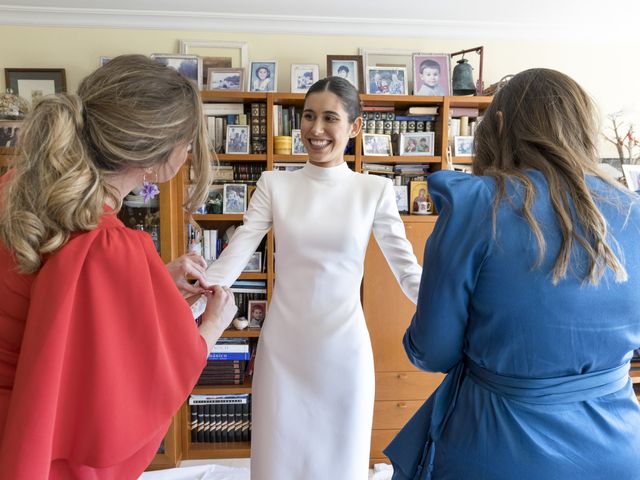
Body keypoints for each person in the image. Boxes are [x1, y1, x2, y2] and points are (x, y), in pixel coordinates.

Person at [385, 68, 640, 479]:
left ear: (498, 126)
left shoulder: (478, 204)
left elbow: (433, 351)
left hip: (499, 448)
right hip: (620, 449)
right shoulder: (634, 210)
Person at [0, 54, 238, 479]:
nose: (188, 152)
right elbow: (139, 391)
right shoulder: (106, 242)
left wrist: (149, 284)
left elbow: (58, 301)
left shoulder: (16, 187)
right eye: (187, 141)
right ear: (156, 155)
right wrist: (214, 325)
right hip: (30, 433)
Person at [193, 75, 422, 479]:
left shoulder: (375, 190)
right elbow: (239, 250)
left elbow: (407, 271)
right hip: (283, 352)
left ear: (354, 127)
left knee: (340, 463)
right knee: (277, 463)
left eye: (330, 118)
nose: (315, 130)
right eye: (308, 117)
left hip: (344, 353)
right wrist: (191, 298)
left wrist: (456, 309)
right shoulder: (274, 184)